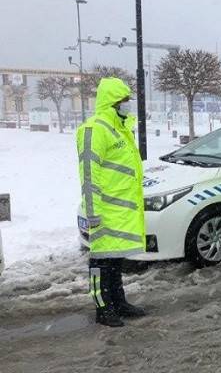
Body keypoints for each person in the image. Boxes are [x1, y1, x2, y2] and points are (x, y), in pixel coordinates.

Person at [76, 77, 147, 327]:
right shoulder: (94, 129)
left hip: (120, 210)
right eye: (124, 100)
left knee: (114, 259)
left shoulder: (120, 129)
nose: (127, 105)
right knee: (100, 262)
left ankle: (118, 301)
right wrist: (93, 211)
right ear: (113, 101)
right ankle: (102, 307)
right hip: (104, 209)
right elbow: (89, 174)